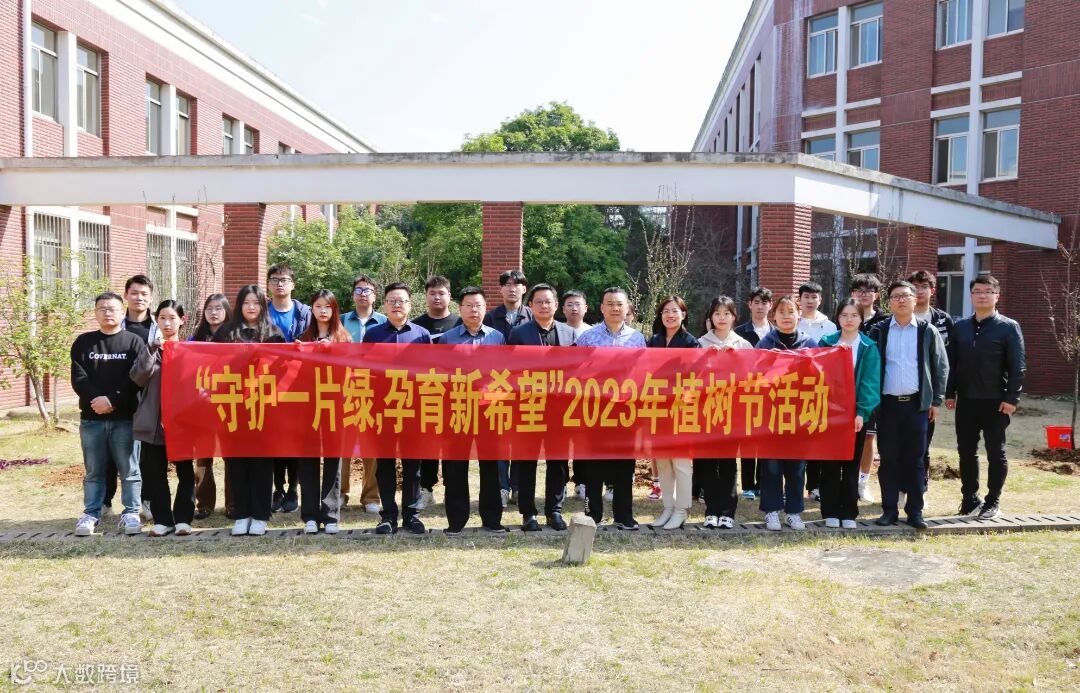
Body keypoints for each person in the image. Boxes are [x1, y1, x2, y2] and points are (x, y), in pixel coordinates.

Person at [869, 281, 949, 530]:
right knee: (889, 459)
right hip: (888, 406)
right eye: (895, 297)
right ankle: (889, 510)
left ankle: (915, 512)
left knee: (916, 459)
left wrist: (935, 400)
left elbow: (941, 367)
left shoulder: (927, 331)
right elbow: (870, 367)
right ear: (889, 302)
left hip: (917, 406)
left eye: (905, 295)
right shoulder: (879, 331)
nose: (901, 300)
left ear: (915, 300)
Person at [945, 275, 1025, 520]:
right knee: (966, 451)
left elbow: (1018, 367)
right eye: (977, 291)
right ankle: (970, 498)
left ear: (997, 296)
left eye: (988, 291)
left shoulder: (1008, 327)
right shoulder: (960, 327)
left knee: (995, 453)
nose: (982, 295)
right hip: (967, 400)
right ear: (971, 296)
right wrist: (950, 393)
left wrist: (1012, 398)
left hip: (996, 401)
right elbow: (952, 363)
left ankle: (993, 501)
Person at [213, 284, 286, 536]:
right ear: (239, 306)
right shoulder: (226, 332)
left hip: (263, 408)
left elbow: (282, 369)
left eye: (256, 302)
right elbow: (213, 364)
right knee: (236, 463)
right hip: (233, 406)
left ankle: (261, 515)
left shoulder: (273, 333)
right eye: (246, 302)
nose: (251, 307)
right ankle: (241, 514)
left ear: (263, 305)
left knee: (261, 463)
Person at [71, 292, 145, 537]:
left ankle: (131, 512)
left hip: (125, 418)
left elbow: (136, 378)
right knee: (94, 470)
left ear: (122, 312)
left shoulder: (134, 342)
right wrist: (98, 400)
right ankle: (91, 513)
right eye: (102, 308)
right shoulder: (83, 342)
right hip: (92, 419)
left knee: (130, 470)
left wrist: (112, 400)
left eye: (112, 308)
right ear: (95, 313)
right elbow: (79, 378)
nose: (107, 312)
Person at [363, 282, 433, 535]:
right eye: (391, 301)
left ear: (409, 305)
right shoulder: (373, 335)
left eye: (401, 301)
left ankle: (411, 515)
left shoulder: (422, 335)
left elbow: (430, 372)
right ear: (384, 304)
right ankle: (388, 516)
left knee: (413, 466)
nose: (396, 305)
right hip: (382, 409)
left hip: (413, 409)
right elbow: (365, 371)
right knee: (385, 465)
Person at [507, 283, 577, 532]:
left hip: (560, 408)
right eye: (538, 301)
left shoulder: (569, 334)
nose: (544, 306)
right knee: (527, 461)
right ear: (530, 305)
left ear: (556, 305)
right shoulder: (519, 334)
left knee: (558, 462)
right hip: (529, 407)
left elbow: (577, 370)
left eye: (548, 301)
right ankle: (528, 513)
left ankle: (554, 510)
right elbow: (510, 370)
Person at [575, 287, 646, 530]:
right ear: (602, 308)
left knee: (624, 466)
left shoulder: (637, 339)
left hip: (626, 410)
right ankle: (592, 514)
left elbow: (642, 374)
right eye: (610, 304)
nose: (615, 308)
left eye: (619, 304)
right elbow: (577, 372)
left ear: (627, 308)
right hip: (596, 409)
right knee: (593, 466)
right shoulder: (587, 338)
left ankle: (624, 515)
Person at [439, 286, 508, 534]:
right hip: (458, 409)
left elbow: (505, 374)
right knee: (455, 466)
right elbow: (441, 375)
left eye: (478, 305)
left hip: (489, 410)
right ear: (460, 309)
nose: (473, 310)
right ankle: (456, 521)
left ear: (485, 308)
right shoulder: (447, 339)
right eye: (468, 305)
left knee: (492, 466)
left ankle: (492, 519)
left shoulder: (497, 338)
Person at [131, 300, 195, 537]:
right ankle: (163, 519)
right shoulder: (149, 349)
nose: (167, 323)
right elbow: (137, 377)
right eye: (162, 318)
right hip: (153, 422)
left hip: (182, 423)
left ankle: (183, 518)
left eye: (172, 318)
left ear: (182, 320)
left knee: (185, 472)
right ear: (156, 321)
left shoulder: (190, 350)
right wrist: (151, 350)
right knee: (155, 473)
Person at [756, 295, 818, 531]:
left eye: (791, 312)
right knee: (771, 466)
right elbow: (753, 375)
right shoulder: (765, 343)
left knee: (796, 467)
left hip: (799, 414)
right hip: (771, 413)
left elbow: (820, 374)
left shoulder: (809, 343)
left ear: (799, 315)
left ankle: (794, 512)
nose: (786, 316)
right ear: (774, 316)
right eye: (781, 312)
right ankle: (771, 511)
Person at [818, 300, 881, 529]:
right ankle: (830, 511)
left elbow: (870, 383)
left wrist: (862, 412)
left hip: (855, 415)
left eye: (854, 315)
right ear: (838, 317)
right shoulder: (827, 342)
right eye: (844, 315)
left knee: (852, 463)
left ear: (861, 319)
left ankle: (849, 512)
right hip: (829, 413)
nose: (849, 319)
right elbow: (816, 373)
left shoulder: (868, 346)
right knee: (830, 464)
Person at [102, 274, 158, 517]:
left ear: (151, 298)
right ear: (126, 295)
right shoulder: (116, 325)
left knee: (147, 453)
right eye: (134, 293)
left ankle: (146, 499)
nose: (139, 298)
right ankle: (105, 501)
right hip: (120, 397)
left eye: (144, 294)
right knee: (111, 452)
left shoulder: (157, 327)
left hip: (148, 399)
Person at [296, 289, 350, 534]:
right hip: (308, 406)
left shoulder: (344, 338)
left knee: (333, 459)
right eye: (318, 306)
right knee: (307, 458)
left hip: (335, 405)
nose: (323, 311)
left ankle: (330, 515)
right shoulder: (303, 337)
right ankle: (309, 514)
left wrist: (333, 350)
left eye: (327, 306)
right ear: (312, 309)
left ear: (334, 309)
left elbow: (352, 370)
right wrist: (299, 354)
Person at [697, 296, 752, 528]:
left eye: (726, 314)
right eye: (717, 313)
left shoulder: (743, 344)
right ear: (711, 317)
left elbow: (753, 378)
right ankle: (711, 510)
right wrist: (705, 359)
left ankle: (728, 512)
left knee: (729, 462)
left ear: (734, 317)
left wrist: (736, 358)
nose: (721, 318)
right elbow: (690, 376)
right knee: (708, 462)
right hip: (706, 410)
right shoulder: (700, 343)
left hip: (732, 411)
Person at [647, 296, 700, 530]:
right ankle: (667, 507)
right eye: (666, 311)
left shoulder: (691, 342)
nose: (670, 315)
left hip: (681, 409)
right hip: (658, 408)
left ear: (683, 315)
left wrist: (683, 401)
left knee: (681, 463)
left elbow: (695, 377)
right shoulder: (654, 341)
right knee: (663, 462)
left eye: (675, 311)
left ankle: (681, 510)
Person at [483, 269, 533, 505]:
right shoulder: (490, 318)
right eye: (507, 284)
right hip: (497, 386)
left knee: (522, 439)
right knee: (500, 439)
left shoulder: (533, 317)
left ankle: (518, 487)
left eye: (517, 284)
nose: (512, 288)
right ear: (500, 289)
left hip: (525, 388)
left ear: (524, 288)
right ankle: (501, 487)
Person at [411, 276, 462, 510]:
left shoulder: (460, 323)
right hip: (427, 393)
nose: (437, 297)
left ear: (449, 296)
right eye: (432, 293)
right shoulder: (417, 326)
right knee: (428, 444)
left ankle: (453, 489)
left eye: (441, 293)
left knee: (453, 444)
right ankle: (426, 489)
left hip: (455, 394)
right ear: (426, 296)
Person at [266, 263, 311, 515]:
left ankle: (293, 487)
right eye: (275, 280)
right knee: (273, 440)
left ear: (293, 284)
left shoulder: (305, 313)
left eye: (284, 280)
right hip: (268, 384)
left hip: (298, 384)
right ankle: (278, 488)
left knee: (294, 439)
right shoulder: (262, 312)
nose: (279, 284)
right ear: (268, 285)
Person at [340, 275, 386, 514]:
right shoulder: (340, 322)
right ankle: (340, 493)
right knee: (342, 444)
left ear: (375, 296)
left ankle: (370, 496)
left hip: (375, 391)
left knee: (372, 445)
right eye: (358, 290)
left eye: (367, 290)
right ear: (353, 295)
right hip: (344, 391)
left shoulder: (385, 323)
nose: (362, 294)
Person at [909, 270, 955, 495]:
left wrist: (946, 393)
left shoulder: (943, 320)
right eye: (915, 287)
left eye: (924, 286)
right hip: (902, 388)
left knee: (923, 443)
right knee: (900, 444)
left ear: (932, 290)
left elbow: (949, 359)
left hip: (929, 392)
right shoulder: (897, 317)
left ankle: (921, 487)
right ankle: (901, 487)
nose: (919, 291)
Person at [189, 293, 232, 520]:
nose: (213, 313)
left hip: (229, 405)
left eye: (218, 308)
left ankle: (233, 503)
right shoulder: (195, 339)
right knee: (203, 456)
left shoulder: (235, 338)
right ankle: (204, 503)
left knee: (231, 456)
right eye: (209, 309)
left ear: (227, 311)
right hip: (202, 407)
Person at [850, 273, 889, 505]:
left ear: (877, 295)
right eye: (859, 290)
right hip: (845, 388)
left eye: (869, 290)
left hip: (871, 388)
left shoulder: (884, 322)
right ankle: (843, 481)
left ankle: (862, 483)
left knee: (868, 438)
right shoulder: (844, 316)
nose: (863, 294)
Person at [734, 286, 772, 500]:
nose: (760, 307)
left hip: (770, 394)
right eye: (756, 302)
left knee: (765, 439)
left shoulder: (776, 332)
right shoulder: (739, 332)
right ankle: (748, 485)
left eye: (764, 302)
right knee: (748, 439)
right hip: (745, 392)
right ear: (749, 305)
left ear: (770, 305)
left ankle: (763, 483)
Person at [560, 290, 593, 500]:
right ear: (562, 309)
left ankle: (581, 481)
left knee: (583, 440)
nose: (574, 308)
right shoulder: (557, 331)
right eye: (569, 304)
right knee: (562, 441)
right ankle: (561, 482)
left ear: (585, 308)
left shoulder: (592, 333)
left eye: (578, 304)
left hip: (586, 395)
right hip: (561, 395)